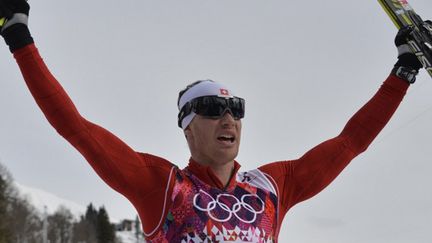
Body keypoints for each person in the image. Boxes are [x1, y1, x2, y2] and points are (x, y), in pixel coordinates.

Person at [0, 1, 424, 242]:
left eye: (236, 108)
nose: (228, 118)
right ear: (187, 126)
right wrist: (20, 38)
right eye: (210, 108)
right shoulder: (162, 186)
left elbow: (349, 142)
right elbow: (76, 128)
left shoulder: (270, 189)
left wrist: (403, 71)